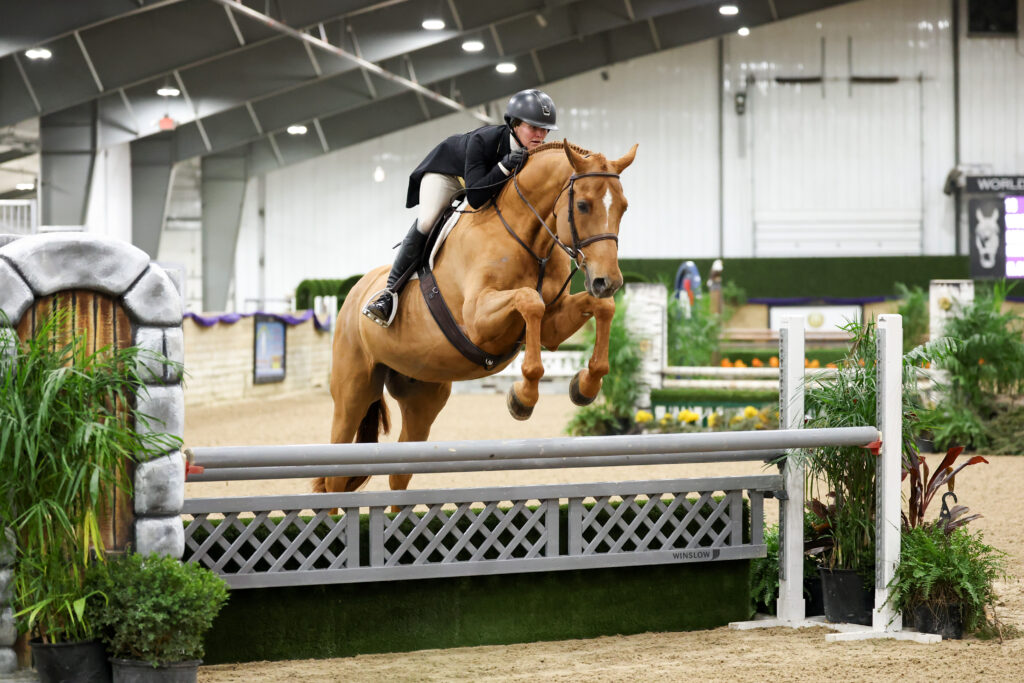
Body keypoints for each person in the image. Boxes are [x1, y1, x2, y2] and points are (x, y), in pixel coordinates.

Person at [362, 89, 559, 327]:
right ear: (514, 124)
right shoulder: (483, 140)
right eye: (533, 127)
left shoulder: (533, 152)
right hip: (447, 175)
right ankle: (388, 294)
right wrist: (505, 166)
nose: (540, 135)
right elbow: (475, 197)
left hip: (480, 181)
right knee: (427, 221)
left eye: (545, 129)